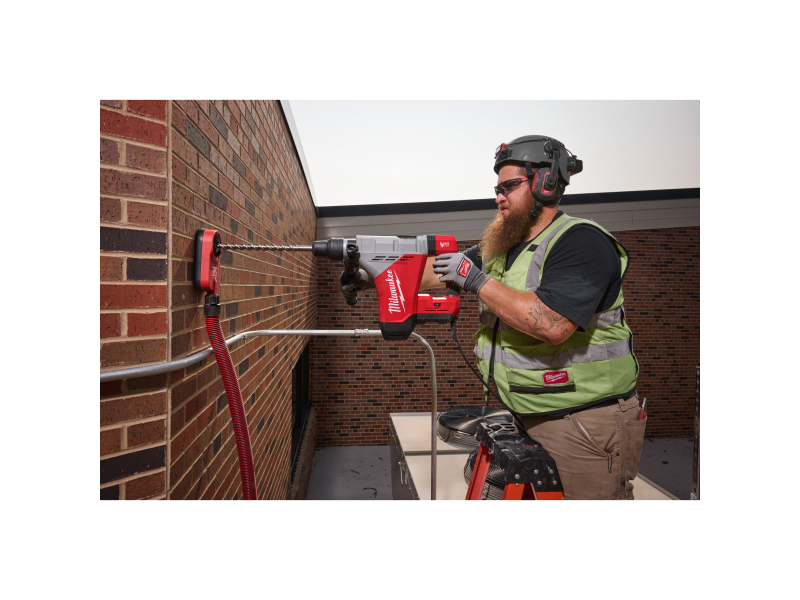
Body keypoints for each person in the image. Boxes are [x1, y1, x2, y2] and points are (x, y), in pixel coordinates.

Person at [341, 135, 647, 500]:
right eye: (497, 189)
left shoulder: (581, 242)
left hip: (583, 422)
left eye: (509, 187)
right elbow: (435, 271)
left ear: (546, 182)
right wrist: (370, 275)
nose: (498, 197)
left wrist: (476, 281)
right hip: (526, 411)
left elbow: (552, 324)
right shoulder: (502, 245)